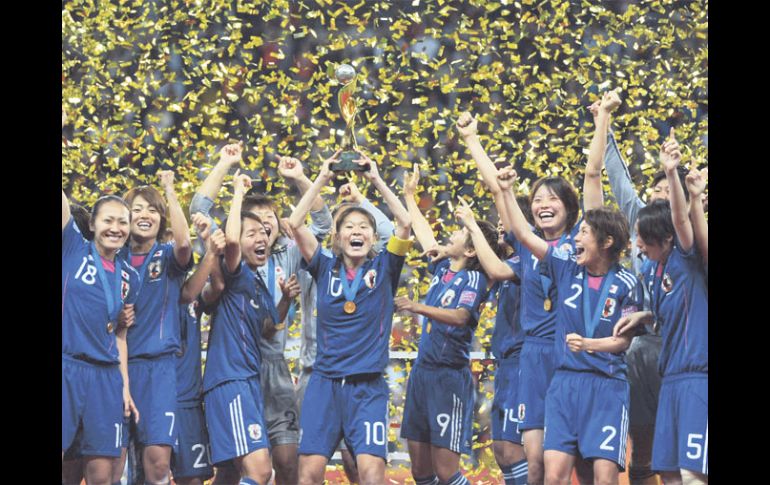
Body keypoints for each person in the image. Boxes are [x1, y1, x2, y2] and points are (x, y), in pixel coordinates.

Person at [191, 143, 333, 485]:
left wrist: (301, 178)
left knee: (284, 463)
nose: (264, 227)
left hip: (270, 368)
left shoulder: (287, 256)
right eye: (253, 225)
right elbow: (200, 210)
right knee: (240, 468)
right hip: (235, 371)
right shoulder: (236, 266)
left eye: (269, 219)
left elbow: (323, 224)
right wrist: (226, 167)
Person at [456, 111, 583, 484]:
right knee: (534, 459)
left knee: (569, 458)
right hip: (532, 354)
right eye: (538, 199)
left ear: (569, 208)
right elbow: (499, 192)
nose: (544, 204)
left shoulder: (580, 244)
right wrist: (471, 139)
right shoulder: (527, 244)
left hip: (568, 351)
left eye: (552, 199)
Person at [288, 150, 412, 485]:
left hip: (367, 387)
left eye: (364, 227)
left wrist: (376, 179)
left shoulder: (386, 267)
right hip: (324, 385)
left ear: (373, 237)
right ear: (338, 236)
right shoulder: (324, 266)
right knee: (308, 476)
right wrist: (322, 177)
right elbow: (294, 224)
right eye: (349, 227)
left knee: (371, 476)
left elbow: (405, 223)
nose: (357, 231)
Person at [588, 95, 691, 485]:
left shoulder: (693, 241)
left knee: (687, 451)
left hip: (686, 348)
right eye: (657, 191)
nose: (662, 197)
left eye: (670, 190)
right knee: (645, 445)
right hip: (643, 347)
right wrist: (603, 125)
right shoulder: (638, 228)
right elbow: (618, 182)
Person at [394, 164, 499, 485]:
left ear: (470, 249)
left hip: (448, 378)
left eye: (458, 232)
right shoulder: (443, 269)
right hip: (421, 374)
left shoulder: (475, 279)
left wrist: (417, 306)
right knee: (420, 472)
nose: (449, 235)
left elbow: (461, 316)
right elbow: (424, 233)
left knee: (446, 472)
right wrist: (409, 196)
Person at [614, 133, 708, 485]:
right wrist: (646, 315)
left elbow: (681, 222)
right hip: (669, 378)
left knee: (694, 473)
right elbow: (668, 312)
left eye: (643, 237)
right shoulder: (654, 271)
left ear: (665, 238)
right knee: (667, 470)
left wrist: (671, 173)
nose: (637, 243)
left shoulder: (685, 257)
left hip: (697, 376)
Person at [202, 168, 297, 485]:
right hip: (231, 381)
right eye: (252, 233)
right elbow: (230, 241)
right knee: (260, 471)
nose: (262, 238)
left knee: (232, 473)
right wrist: (238, 193)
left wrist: (285, 300)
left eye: (264, 233)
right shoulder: (237, 272)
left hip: (247, 381)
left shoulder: (258, 285)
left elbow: (269, 327)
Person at [62, 189, 141, 485]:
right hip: (67, 367)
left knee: (102, 474)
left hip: (106, 378)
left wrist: (125, 388)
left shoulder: (130, 277)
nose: (115, 228)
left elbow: (120, 337)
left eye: (123, 222)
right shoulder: (72, 246)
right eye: (108, 220)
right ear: (93, 224)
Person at [120, 170, 193, 484]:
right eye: (137, 209)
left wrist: (169, 190)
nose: (144, 215)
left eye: (152, 210)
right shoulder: (113, 258)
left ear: (161, 219)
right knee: (112, 465)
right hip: (116, 367)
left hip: (159, 369)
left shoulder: (166, 257)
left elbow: (185, 242)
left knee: (158, 463)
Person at [170, 214, 226, 485]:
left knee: (192, 479)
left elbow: (218, 286)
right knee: (150, 474)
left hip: (190, 401)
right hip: (155, 397)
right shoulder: (148, 291)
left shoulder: (193, 298)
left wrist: (209, 248)